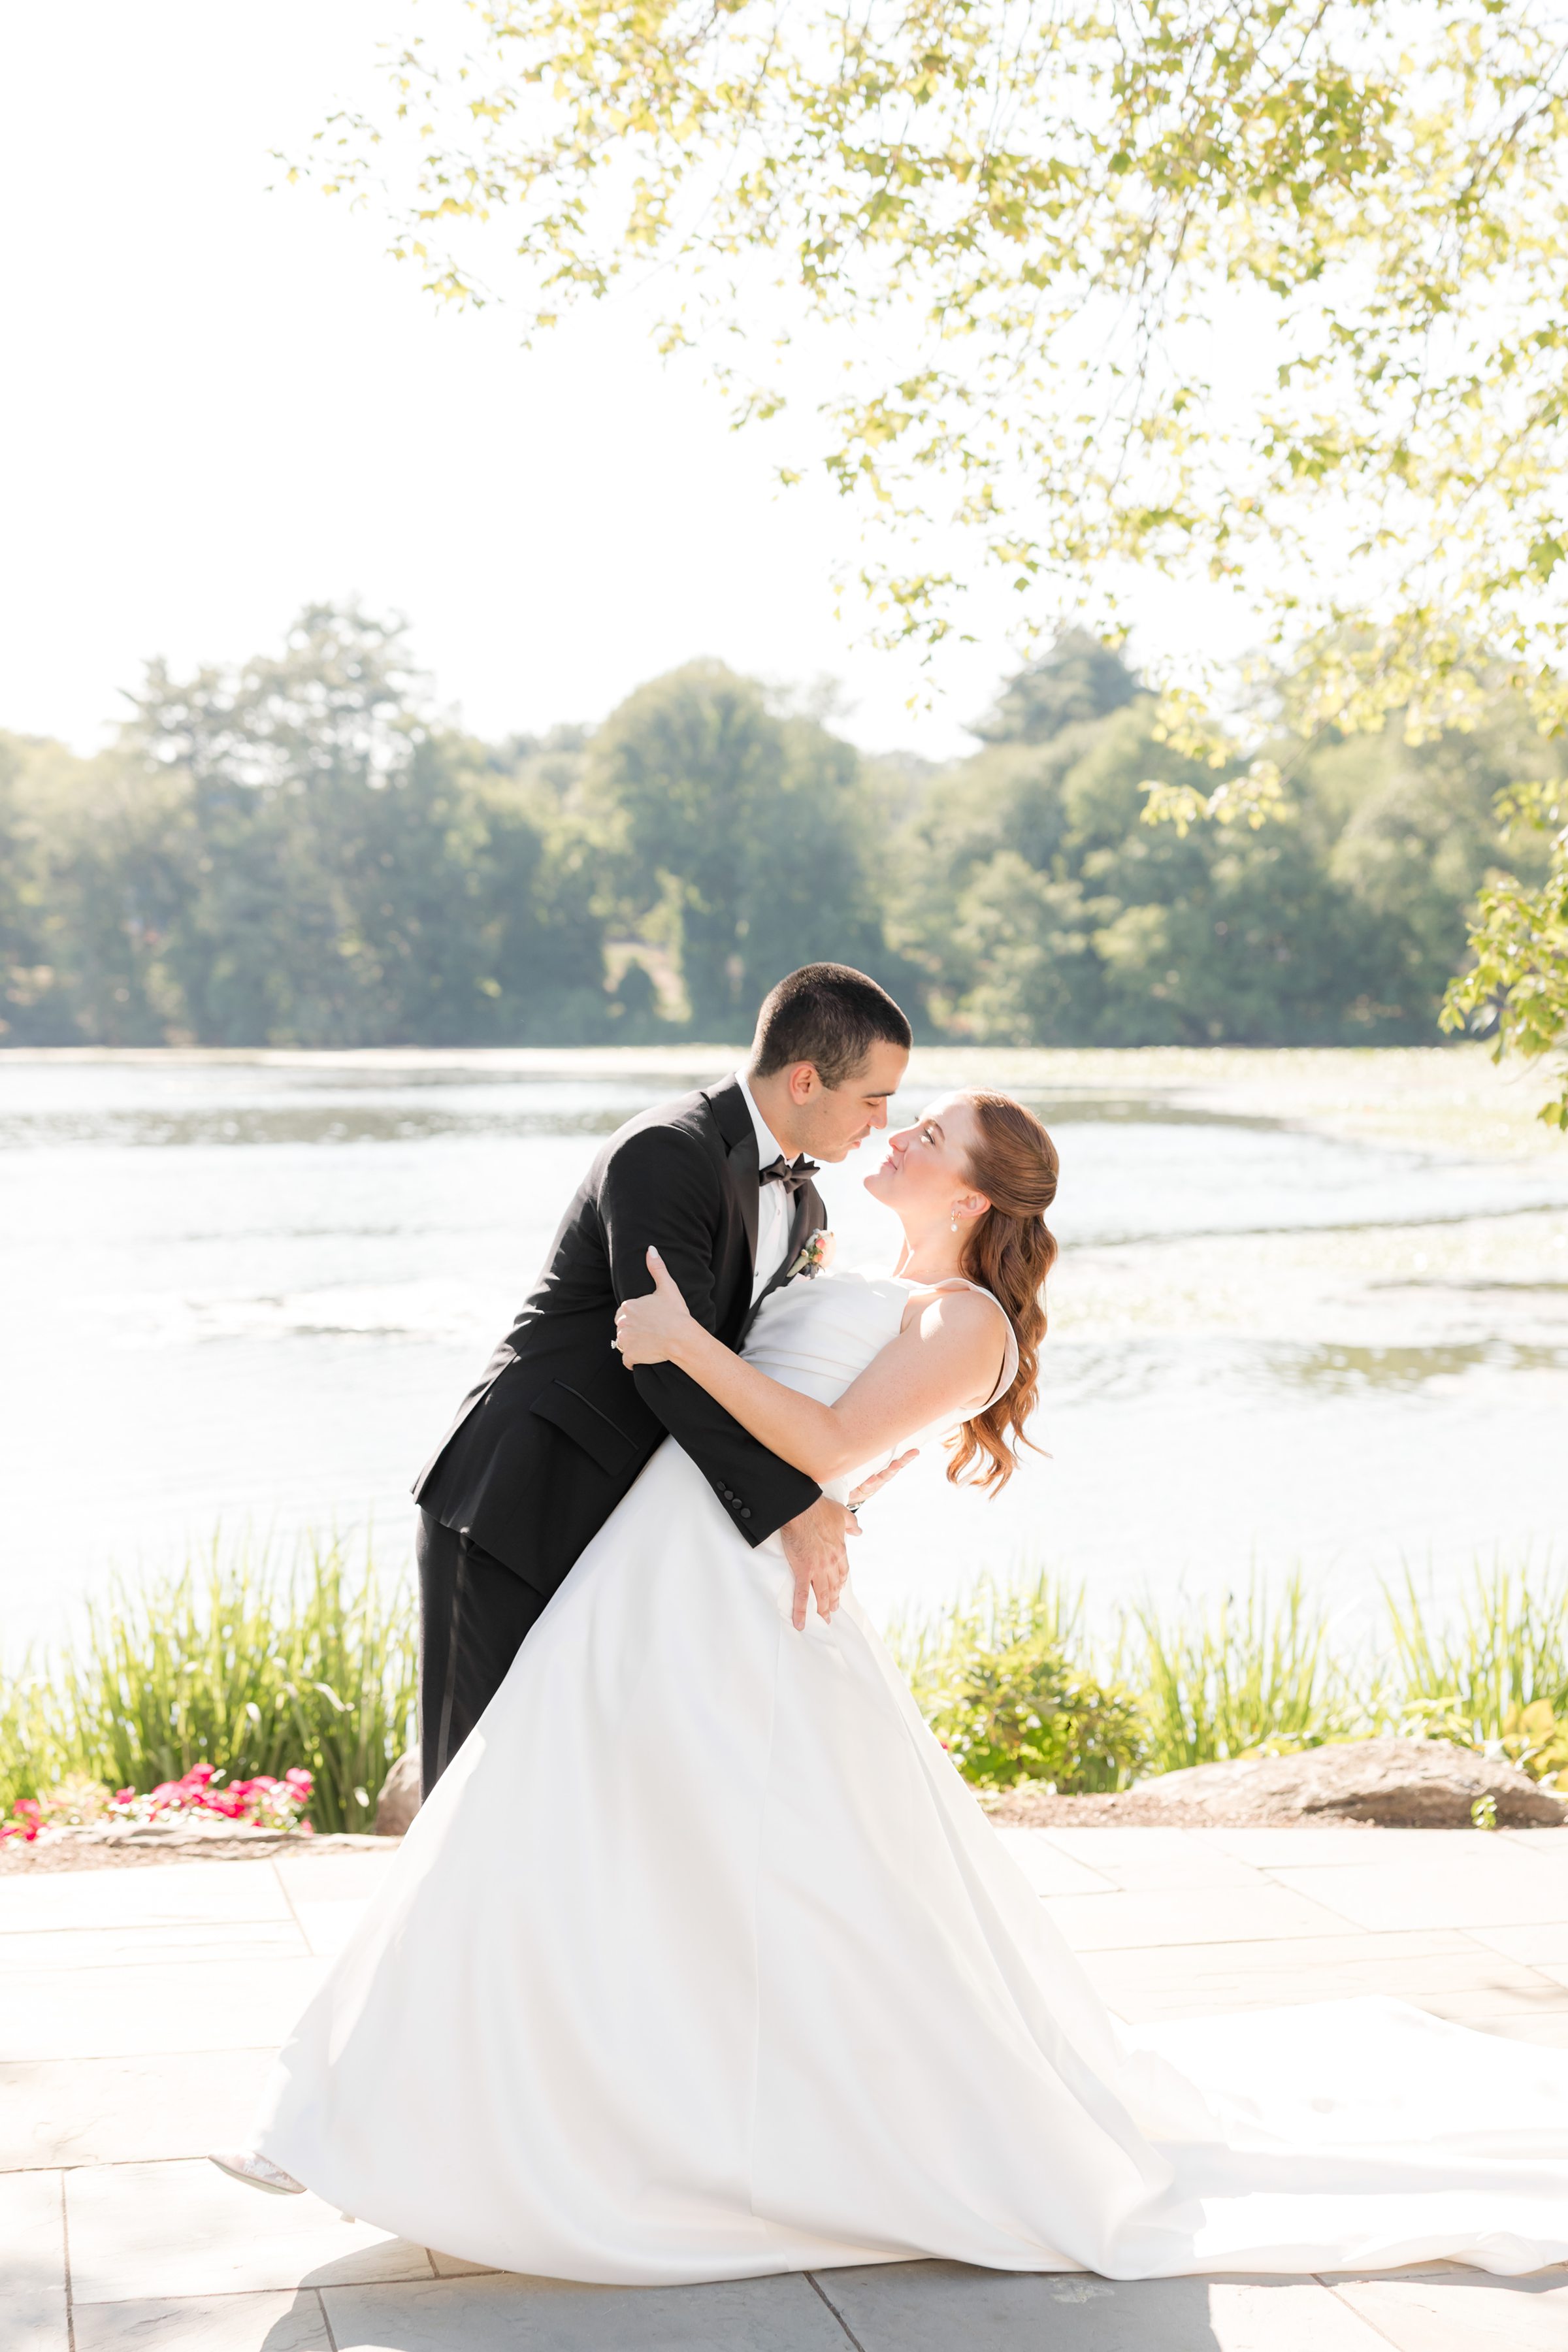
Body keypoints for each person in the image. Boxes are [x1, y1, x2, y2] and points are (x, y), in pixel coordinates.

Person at [214, 1083, 1568, 2284]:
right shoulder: (831, 1256)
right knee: (558, 1842)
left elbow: (823, 1435)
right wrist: (762, 1425)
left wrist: (686, 1349)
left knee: (756, 1889)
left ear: (975, 1192)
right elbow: (802, 1441)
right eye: (903, 1116)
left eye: (928, 1134)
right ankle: (443, 2117)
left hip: (733, 1604)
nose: (899, 1132)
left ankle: (652, 2135)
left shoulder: (964, 1318)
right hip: (653, 1573)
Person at [406, 960, 912, 1791]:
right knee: (472, 1790)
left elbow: (743, 1369)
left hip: (625, 1531)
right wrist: (791, 1502)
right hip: (520, 1500)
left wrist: (842, 1468)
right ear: (807, 1078)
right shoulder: (667, 1152)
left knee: (573, 1790)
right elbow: (665, 1366)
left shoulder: (808, 1208)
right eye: (873, 1097)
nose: (885, 1120)